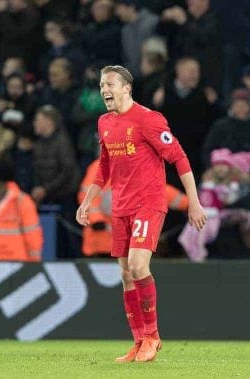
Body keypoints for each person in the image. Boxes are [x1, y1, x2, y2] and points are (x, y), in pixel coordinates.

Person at [76, 65, 206, 363]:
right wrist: (88, 201)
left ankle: (152, 336)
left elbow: (180, 157)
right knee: (125, 275)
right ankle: (138, 341)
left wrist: (194, 203)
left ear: (126, 88)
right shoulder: (104, 122)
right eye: (101, 85)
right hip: (120, 206)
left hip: (148, 202)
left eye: (109, 84)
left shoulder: (149, 119)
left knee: (137, 266)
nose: (104, 90)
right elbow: (105, 166)